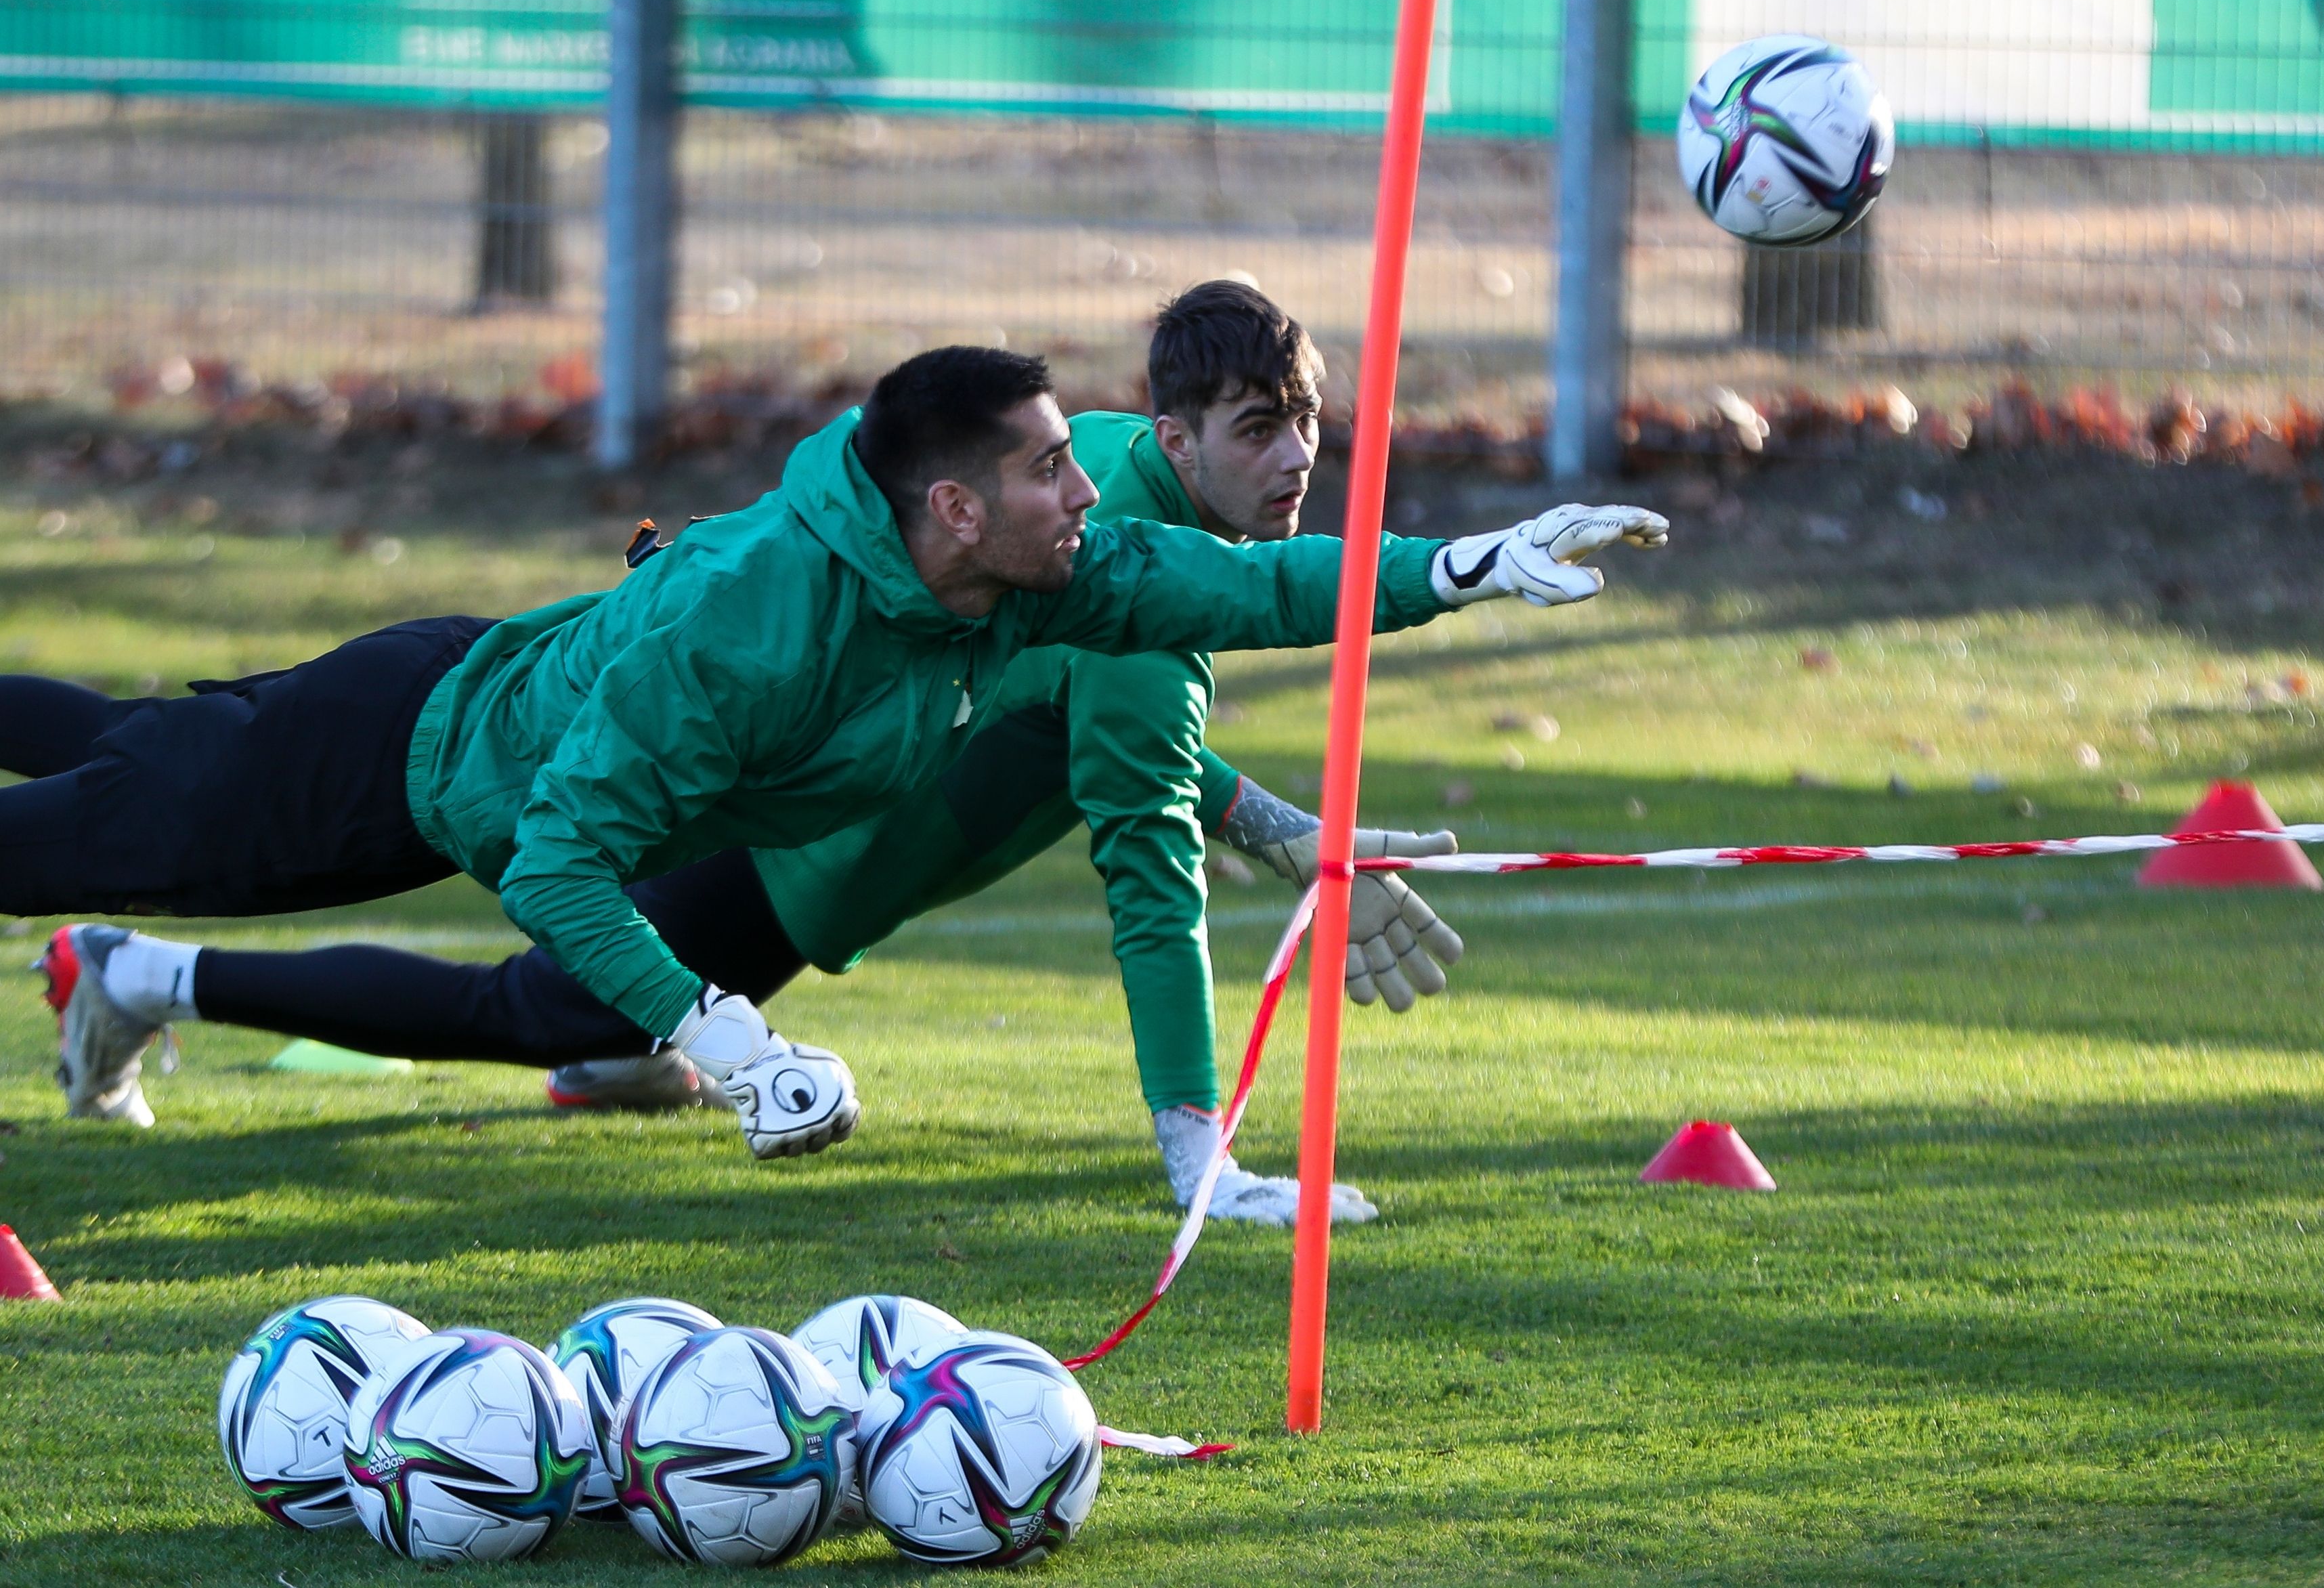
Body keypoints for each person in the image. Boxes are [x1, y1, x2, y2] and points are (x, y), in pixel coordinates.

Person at [33, 284, 1499, 1225]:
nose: (1082, 491)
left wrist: (1465, 569)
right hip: (411, 765)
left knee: (123, 755)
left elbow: (1245, 608)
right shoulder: (799, 613)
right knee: (91, 832)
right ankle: (133, 971)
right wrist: (725, 1037)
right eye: (1263, 428)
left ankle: (129, 968)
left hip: (478, 712)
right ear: (959, 508)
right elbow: (1140, 841)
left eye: (1308, 421)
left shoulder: (1049, 548)